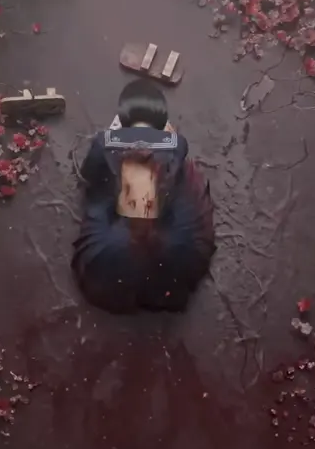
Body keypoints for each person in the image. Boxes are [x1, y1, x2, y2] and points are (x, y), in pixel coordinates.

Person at [71, 78, 216, 313]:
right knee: (178, 187)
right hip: (171, 239)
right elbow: (177, 162)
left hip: (116, 245)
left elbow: (89, 175)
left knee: (99, 194)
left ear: (124, 119)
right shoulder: (176, 143)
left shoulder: (104, 142)